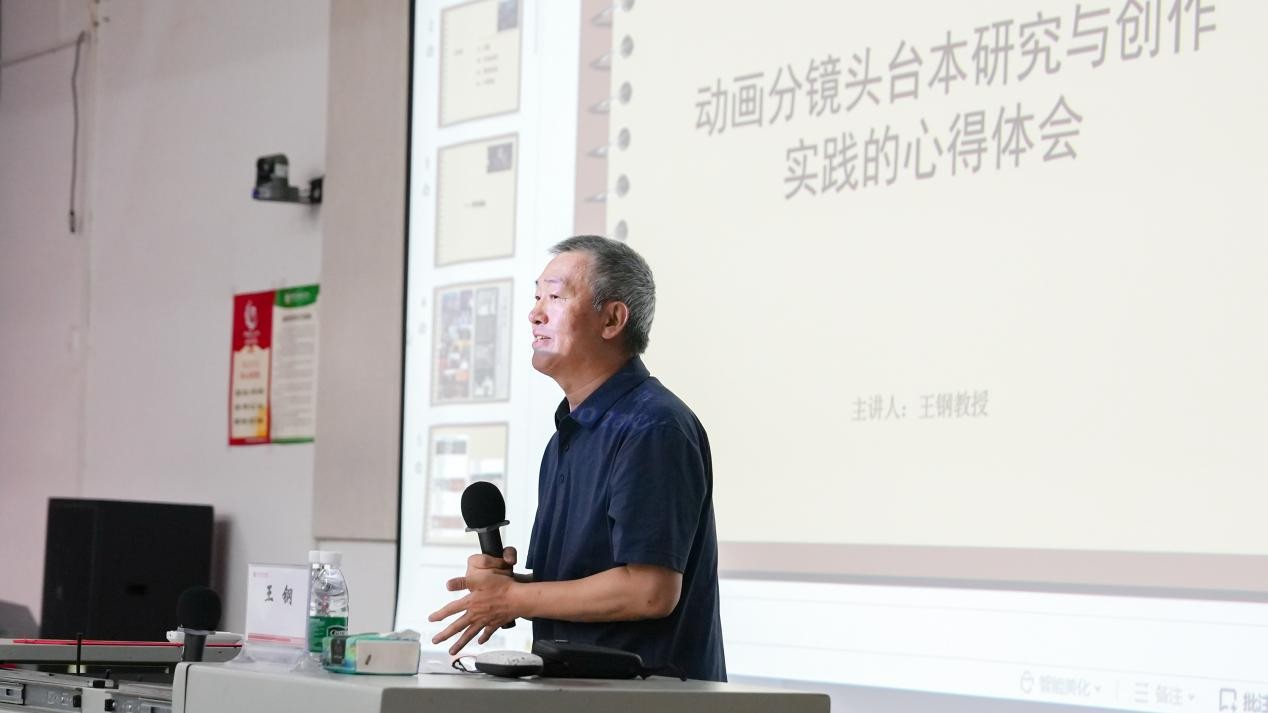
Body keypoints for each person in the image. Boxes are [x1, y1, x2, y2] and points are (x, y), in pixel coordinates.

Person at [429, 235, 726, 681]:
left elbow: (650, 591)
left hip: (652, 699)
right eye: (536, 297)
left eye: (555, 297)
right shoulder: (568, 436)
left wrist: (512, 599)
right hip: (578, 691)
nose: (535, 313)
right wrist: (506, 588)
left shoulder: (653, 426)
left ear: (612, 319)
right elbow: (585, 583)